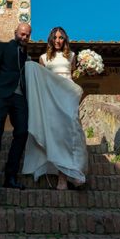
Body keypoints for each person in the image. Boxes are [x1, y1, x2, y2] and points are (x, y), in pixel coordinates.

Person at [22, 26, 88, 190]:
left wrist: (87, 69)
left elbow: (72, 76)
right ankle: (61, 177)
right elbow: (42, 81)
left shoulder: (72, 56)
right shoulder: (43, 58)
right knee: (56, 135)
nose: (58, 40)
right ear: (51, 40)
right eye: (55, 38)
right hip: (51, 99)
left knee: (70, 133)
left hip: (67, 97)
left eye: (61, 38)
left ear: (65, 39)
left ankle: (69, 173)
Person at [0, 23, 32, 190]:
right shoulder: (2, 47)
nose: (24, 37)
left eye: (27, 35)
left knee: (23, 132)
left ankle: (10, 176)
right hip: (2, 94)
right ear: (15, 33)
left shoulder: (27, 55)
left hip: (20, 98)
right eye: (22, 34)